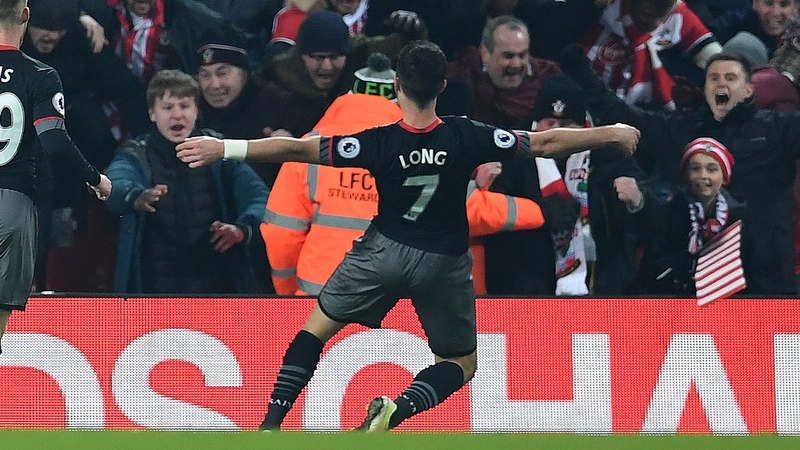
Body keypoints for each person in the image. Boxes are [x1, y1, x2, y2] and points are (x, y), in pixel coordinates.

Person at [177, 40, 639, 431]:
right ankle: (397, 410)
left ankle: (271, 424)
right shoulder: (468, 135)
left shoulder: (376, 141)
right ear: (442, 87)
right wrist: (611, 132)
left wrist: (224, 147)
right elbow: (545, 142)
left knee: (315, 332)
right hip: (444, 263)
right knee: (460, 363)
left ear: (397, 85)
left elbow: (297, 149)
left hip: (382, 253)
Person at [262, 52, 553, 296]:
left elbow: (280, 234)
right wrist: (539, 212)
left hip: (321, 301)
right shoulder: (421, 146)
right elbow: (472, 210)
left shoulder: (311, 148)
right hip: (397, 303)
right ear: (399, 93)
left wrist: (289, 293)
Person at [561, 44, 800, 294]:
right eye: (714, 78)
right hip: (697, 278)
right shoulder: (682, 130)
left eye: (731, 78)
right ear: (705, 88)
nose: (721, 84)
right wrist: (579, 69)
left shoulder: (778, 129)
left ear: (748, 90)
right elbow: (621, 115)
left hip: (767, 275)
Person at [0, 0, 111, 354]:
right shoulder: (41, 74)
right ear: (25, 15)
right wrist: (95, 178)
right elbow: (53, 141)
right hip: (14, 202)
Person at [105, 69, 268, 294]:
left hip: (219, 292)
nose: (177, 115)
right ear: (152, 113)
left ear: (196, 111)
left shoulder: (221, 153)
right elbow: (112, 184)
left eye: (184, 106)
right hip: (154, 294)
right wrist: (136, 196)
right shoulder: (135, 154)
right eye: (167, 107)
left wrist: (242, 229)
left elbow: (260, 198)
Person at [484, 74, 647, 296]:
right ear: (537, 121)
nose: (557, 133)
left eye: (566, 125)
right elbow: (494, 217)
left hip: (602, 289)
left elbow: (652, 226)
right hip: (530, 289)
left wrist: (638, 202)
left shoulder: (609, 153)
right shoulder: (513, 151)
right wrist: (540, 212)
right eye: (550, 124)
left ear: (583, 124)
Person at [258, 9, 426, 136]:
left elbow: (413, 50)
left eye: (335, 57)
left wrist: (415, 28)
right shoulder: (277, 73)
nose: (327, 67)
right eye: (318, 57)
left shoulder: (360, 52)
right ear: (301, 56)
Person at [614, 137, 747, 295]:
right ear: (685, 175)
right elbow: (652, 271)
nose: (703, 175)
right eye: (695, 169)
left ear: (725, 177)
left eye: (711, 169)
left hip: (729, 303)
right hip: (673, 301)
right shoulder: (670, 213)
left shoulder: (740, 218)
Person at [580, 0, 722, 109]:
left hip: (643, 108)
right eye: (647, 15)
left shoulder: (677, 14)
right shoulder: (601, 9)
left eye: (663, 18)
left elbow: (712, 53)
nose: (655, 24)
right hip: (590, 95)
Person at [442, 15, 562, 129]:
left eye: (522, 55)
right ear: (485, 53)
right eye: (508, 56)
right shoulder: (459, 75)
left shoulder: (549, 75)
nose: (516, 64)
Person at [709, 0, 799, 60]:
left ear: (795, 8)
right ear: (755, 3)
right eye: (768, 3)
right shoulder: (727, 27)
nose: (775, 12)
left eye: (784, 4)